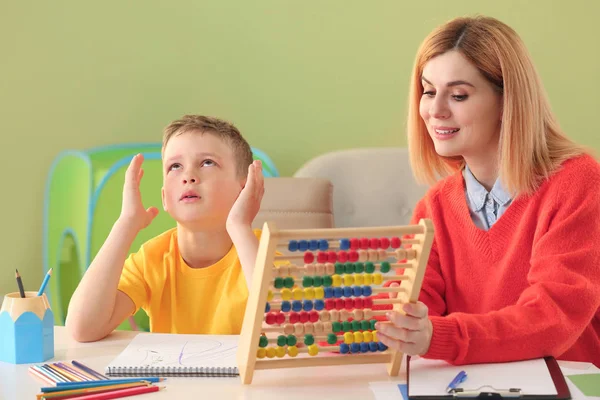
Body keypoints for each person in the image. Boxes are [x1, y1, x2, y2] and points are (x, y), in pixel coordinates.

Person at [375, 15, 600, 367]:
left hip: (568, 381)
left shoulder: (578, 182)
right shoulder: (432, 209)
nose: (435, 110)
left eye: (459, 95)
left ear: (507, 102)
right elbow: (414, 312)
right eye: (429, 91)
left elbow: (554, 316)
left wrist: (442, 337)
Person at [66, 115, 264, 342]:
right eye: (175, 166)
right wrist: (126, 223)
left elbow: (287, 330)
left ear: (244, 189)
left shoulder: (263, 255)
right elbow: (83, 329)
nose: (188, 176)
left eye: (207, 162)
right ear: (164, 197)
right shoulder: (152, 260)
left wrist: (240, 226)